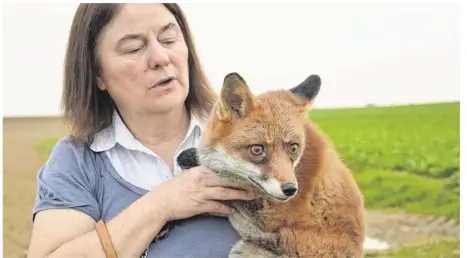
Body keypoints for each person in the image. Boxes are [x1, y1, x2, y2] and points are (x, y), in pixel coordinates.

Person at [27, 3, 257, 258]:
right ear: (97, 75)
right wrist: (162, 203)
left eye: (169, 39)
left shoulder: (255, 134)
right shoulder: (77, 161)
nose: (161, 58)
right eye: (134, 48)